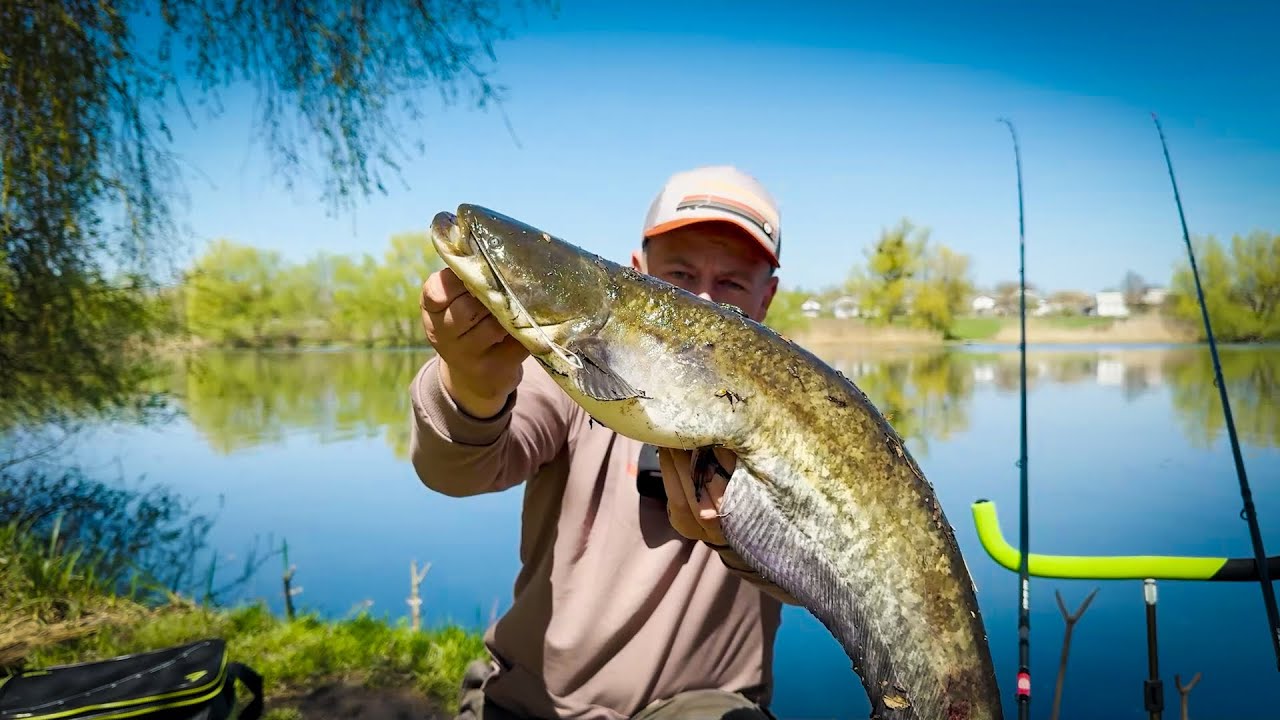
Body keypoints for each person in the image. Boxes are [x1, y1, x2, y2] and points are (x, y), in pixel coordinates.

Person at [409, 165, 800, 720]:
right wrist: (472, 384)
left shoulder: (797, 408)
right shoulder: (569, 372)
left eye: (733, 282)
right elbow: (458, 472)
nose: (704, 299)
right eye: (680, 273)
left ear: (767, 297)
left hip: (703, 708)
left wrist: (746, 541)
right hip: (533, 702)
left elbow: (822, 579)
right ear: (636, 272)